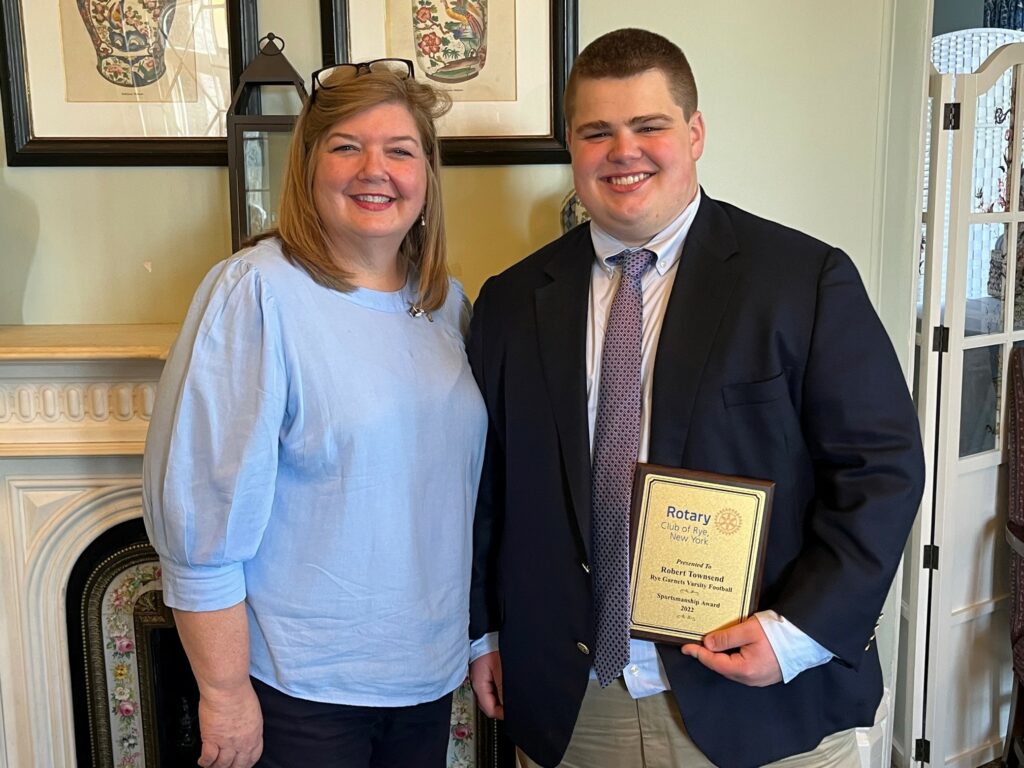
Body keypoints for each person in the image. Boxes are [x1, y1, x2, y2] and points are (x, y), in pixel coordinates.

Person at [467, 28, 925, 768]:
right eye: (597, 132)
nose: (624, 150)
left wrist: (796, 632)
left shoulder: (804, 281)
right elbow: (487, 488)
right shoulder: (511, 302)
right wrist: (483, 630)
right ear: (572, 148)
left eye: (649, 126)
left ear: (695, 132)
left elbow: (883, 472)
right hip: (577, 705)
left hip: (759, 697)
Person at [142, 59, 487, 768]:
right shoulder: (257, 292)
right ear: (306, 167)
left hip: (424, 675)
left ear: (427, 175)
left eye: (400, 150)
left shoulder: (445, 304)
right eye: (345, 147)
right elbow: (203, 521)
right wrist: (224, 691)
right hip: (298, 690)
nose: (375, 169)